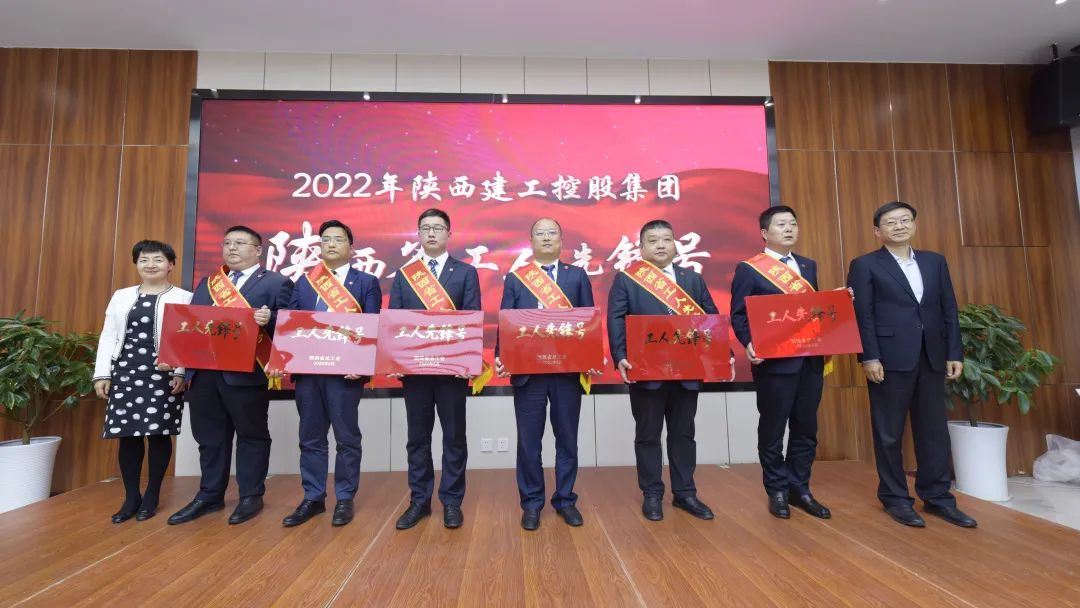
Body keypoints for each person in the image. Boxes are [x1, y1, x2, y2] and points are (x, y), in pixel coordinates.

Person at [847, 201, 977, 529]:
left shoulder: (934, 261)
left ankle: (938, 498)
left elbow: (948, 308)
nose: (899, 226)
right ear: (877, 231)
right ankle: (895, 498)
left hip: (932, 355)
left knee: (933, 431)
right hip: (889, 359)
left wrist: (954, 352)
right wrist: (869, 356)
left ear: (915, 225)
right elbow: (862, 315)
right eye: (891, 222)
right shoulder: (865, 265)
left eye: (905, 220)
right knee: (889, 433)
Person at [167, 225, 294, 526]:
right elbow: (192, 326)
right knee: (209, 438)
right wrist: (177, 364)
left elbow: (290, 326)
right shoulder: (208, 283)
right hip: (204, 375)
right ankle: (209, 495)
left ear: (258, 250)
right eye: (226, 243)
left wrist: (270, 318)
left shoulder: (276, 282)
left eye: (239, 243)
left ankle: (251, 496)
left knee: (251, 436)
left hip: (247, 375)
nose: (231, 248)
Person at [607, 219, 718, 522]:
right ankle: (652, 494)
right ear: (641, 247)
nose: (660, 245)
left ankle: (685, 493)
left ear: (675, 244)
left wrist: (724, 353)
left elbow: (710, 319)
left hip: (687, 370)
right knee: (648, 435)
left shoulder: (692, 279)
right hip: (647, 371)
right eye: (653, 240)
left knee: (684, 433)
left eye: (666, 239)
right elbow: (616, 319)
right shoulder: (628, 279)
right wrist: (620, 356)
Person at [493, 218, 600, 531]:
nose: (546, 238)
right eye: (540, 234)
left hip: (567, 372)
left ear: (561, 240)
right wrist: (501, 356)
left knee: (567, 440)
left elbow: (588, 321)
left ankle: (565, 500)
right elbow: (506, 322)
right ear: (531, 242)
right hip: (529, 373)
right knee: (529, 442)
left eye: (552, 233)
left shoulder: (576, 276)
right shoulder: (517, 279)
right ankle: (531, 503)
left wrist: (592, 355)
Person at [730, 206, 831, 520]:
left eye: (793, 224)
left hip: (810, 361)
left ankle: (800, 488)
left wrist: (839, 302)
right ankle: (776, 489)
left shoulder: (808, 266)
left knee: (806, 428)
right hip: (774, 364)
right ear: (764, 233)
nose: (789, 229)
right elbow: (739, 315)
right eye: (781, 224)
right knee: (773, 430)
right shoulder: (749, 269)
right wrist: (749, 343)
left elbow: (812, 311)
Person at [278, 220, 381, 528]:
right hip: (309, 373)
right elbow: (292, 324)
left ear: (351, 247)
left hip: (345, 375)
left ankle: (345, 497)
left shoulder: (366, 282)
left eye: (338, 239)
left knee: (346, 438)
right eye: (325, 239)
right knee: (310, 437)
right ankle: (313, 497)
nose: (331, 244)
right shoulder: (304, 282)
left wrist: (361, 365)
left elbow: (373, 326)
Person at [388, 208, 481, 530]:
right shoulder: (405, 274)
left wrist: (467, 362)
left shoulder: (465, 273)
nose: (431, 233)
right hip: (415, 373)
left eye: (438, 228)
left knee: (454, 437)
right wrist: (396, 361)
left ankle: (452, 502)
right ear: (418, 234)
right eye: (425, 228)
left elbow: (472, 318)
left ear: (449, 234)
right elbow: (396, 322)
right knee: (417, 438)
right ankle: (419, 501)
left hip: (452, 372)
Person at [93, 240, 192, 523]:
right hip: (125, 372)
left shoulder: (185, 297)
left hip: (162, 374)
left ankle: (152, 495)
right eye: (144, 260)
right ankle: (131, 497)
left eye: (158, 260)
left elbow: (188, 339)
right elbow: (108, 335)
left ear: (170, 265)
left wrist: (180, 372)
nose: (151, 265)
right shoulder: (121, 296)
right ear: (136, 264)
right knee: (128, 435)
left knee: (159, 434)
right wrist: (102, 373)